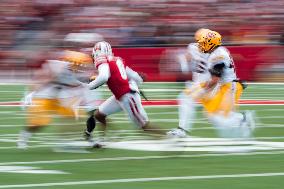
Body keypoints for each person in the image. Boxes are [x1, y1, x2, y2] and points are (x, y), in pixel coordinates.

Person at [168, 30, 255, 138]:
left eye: (202, 43)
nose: (200, 45)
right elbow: (191, 54)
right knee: (186, 98)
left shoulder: (219, 56)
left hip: (226, 87)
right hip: (216, 84)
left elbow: (215, 80)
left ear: (210, 44)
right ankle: (182, 130)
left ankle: (241, 119)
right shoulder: (203, 49)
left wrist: (201, 90)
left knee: (218, 118)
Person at [84, 41, 165, 141]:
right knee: (99, 115)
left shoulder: (101, 60)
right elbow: (132, 75)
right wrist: (139, 81)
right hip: (122, 95)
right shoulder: (117, 59)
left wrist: (90, 86)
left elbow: (104, 77)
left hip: (127, 96)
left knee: (144, 126)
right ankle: (102, 140)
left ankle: (170, 138)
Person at [17, 50, 93, 149]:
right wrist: (30, 94)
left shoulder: (79, 73)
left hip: (60, 95)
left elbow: (77, 86)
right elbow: (40, 79)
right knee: (40, 123)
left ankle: (66, 140)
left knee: (76, 115)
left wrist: (82, 98)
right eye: (80, 64)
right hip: (43, 95)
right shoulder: (56, 67)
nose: (82, 67)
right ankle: (24, 136)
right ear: (72, 62)